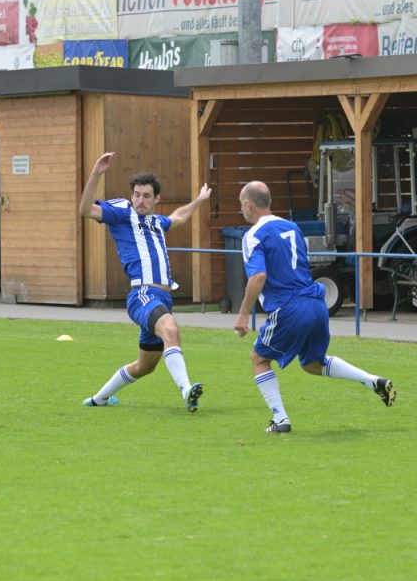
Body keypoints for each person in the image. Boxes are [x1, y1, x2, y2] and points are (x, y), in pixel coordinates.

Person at [233, 181, 396, 433]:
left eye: (240, 203)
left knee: (259, 358)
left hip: (288, 308)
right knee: (312, 364)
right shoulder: (292, 227)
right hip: (316, 303)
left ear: (247, 204)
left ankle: (280, 420)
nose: (240, 208)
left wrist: (243, 314)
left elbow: (258, 277)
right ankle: (372, 381)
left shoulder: (253, 236)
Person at [78, 151, 210, 411]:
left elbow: (179, 217)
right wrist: (96, 173)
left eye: (146, 196)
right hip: (143, 295)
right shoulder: (122, 213)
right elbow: (84, 209)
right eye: (136, 194)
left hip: (161, 299)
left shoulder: (157, 222)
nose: (140, 200)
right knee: (171, 330)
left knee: (145, 366)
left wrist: (199, 200)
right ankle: (186, 390)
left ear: (156, 198)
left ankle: (98, 399)